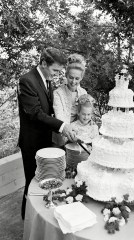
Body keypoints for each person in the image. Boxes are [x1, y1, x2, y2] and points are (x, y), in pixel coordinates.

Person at [17, 47, 77, 220]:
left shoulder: (47, 79)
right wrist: (62, 126)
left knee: (46, 182)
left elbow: (51, 109)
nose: (57, 74)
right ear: (43, 63)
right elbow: (35, 113)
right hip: (31, 143)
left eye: (60, 71)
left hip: (46, 141)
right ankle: (26, 218)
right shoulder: (26, 80)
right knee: (32, 182)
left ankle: (44, 217)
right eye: (55, 70)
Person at [53, 53, 87, 146]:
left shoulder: (83, 92)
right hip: (62, 137)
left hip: (79, 136)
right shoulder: (58, 93)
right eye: (71, 77)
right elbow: (60, 117)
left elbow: (85, 115)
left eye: (77, 78)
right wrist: (70, 133)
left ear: (81, 78)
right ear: (66, 75)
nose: (73, 81)